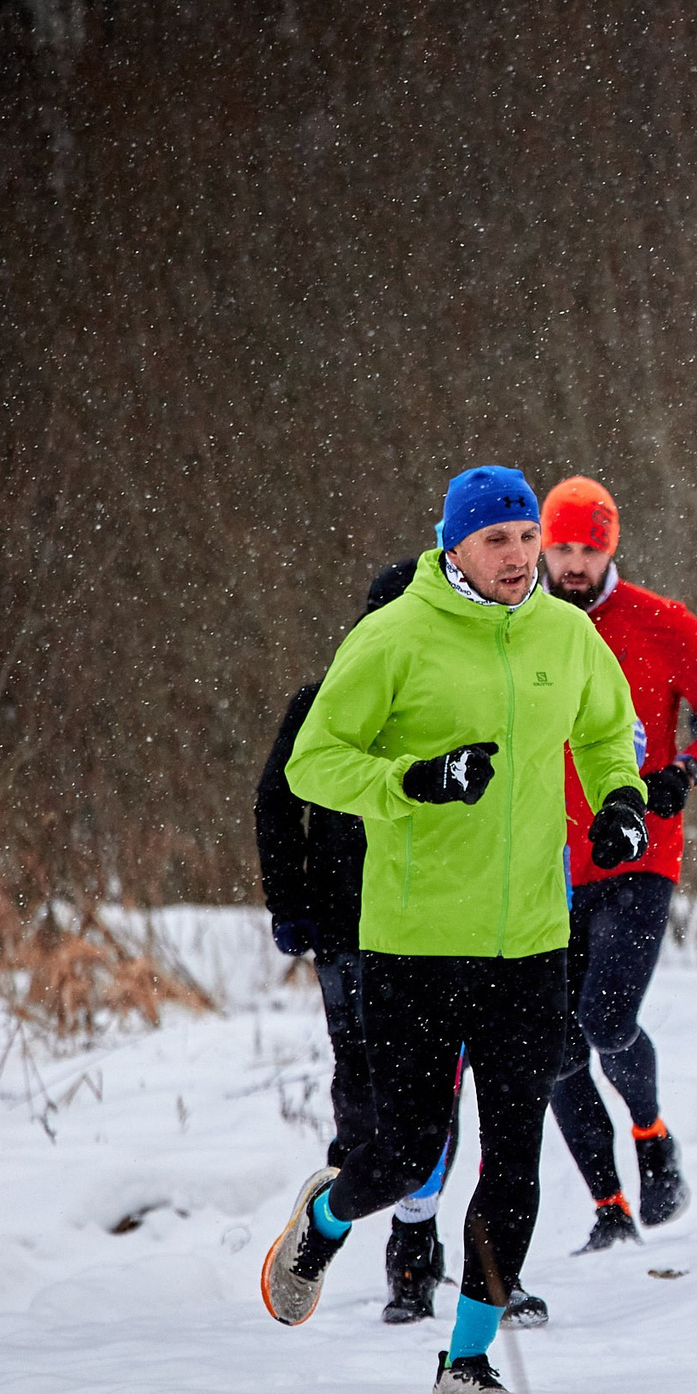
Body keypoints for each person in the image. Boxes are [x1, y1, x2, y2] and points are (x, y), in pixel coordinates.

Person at [261, 465, 649, 1394]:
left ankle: (466, 1358)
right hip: (415, 942)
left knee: (515, 1162)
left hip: (530, 943)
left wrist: (621, 804)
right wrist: (412, 782)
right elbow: (314, 762)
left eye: (528, 537)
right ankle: (324, 1216)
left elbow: (609, 734)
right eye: (498, 541)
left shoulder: (566, 631)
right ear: (455, 547)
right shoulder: (392, 636)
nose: (520, 557)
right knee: (401, 1157)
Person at [256, 559, 499, 1326]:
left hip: (433, 928)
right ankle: (348, 1180)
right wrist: (288, 903)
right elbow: (276, 803)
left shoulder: (457, 707)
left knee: (433, 1088)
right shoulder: (322, 701)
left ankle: (413, 1242)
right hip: (341, 926)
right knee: (362, 1073)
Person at [540, 476, 697, 1253]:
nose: (571, 563)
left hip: (639, 851)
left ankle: (653, 1133)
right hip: (540, 864)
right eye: (560, 547)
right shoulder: (515, 627)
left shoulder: (660, 621)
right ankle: (609, 1207)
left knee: (604, 1019)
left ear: (610, 548)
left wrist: (687, 772)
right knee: (555, 1046)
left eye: (586, 549)